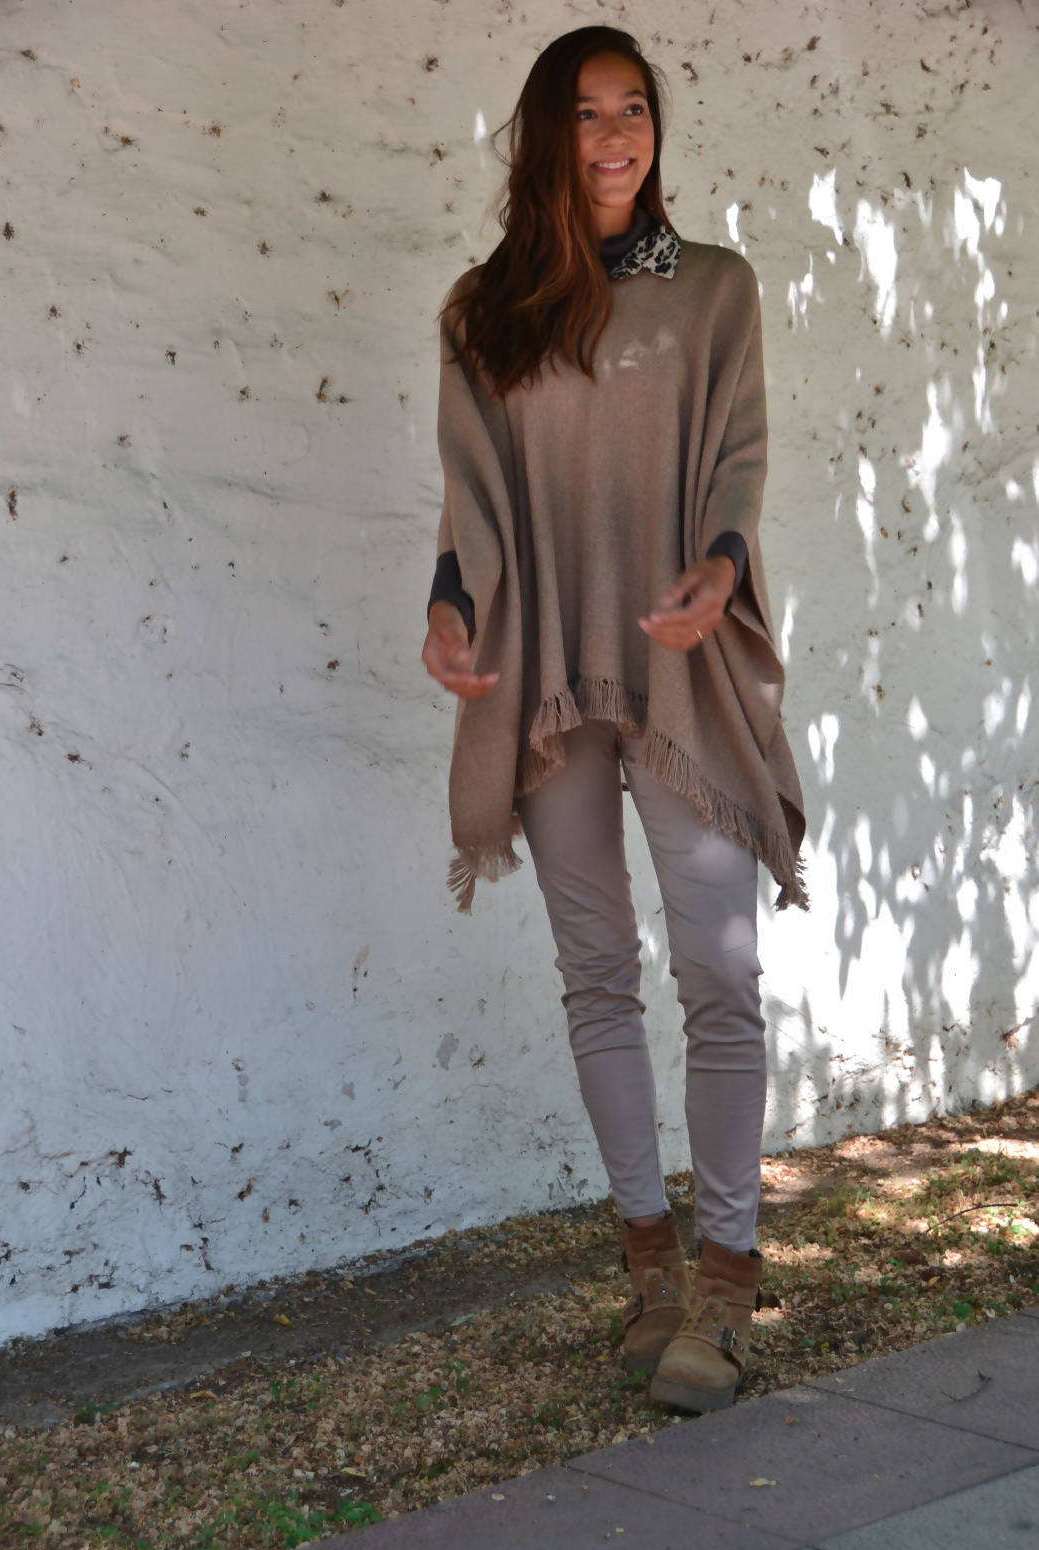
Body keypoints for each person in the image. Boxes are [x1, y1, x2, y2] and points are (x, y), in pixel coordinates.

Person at [421, 25, 807, 1413]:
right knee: (596, 972)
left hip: (675, 669)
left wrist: (720, 569)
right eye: (586, 113)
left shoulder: (711, 289)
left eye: (632, 107)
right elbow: (471, 497)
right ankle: (649, 1269)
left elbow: (738, 458)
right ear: (547, 136)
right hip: (545, 677)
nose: (615, 134)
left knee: (718, 972)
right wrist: (450, 608)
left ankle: (726, 1283)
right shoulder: (486, 310)